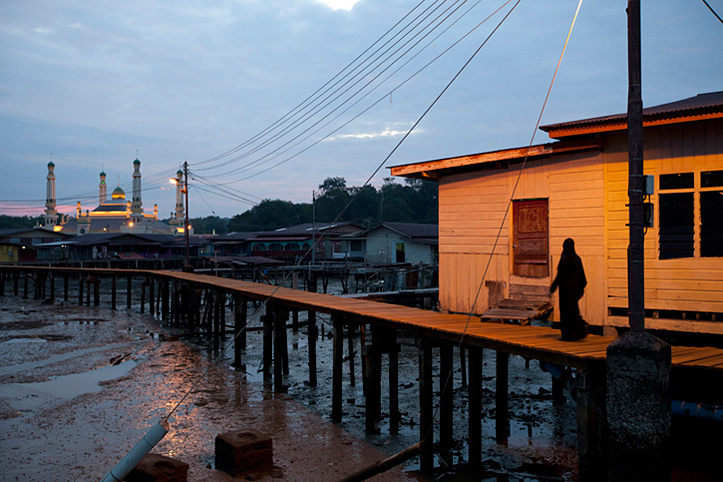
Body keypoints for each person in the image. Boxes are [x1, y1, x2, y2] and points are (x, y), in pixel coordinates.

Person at [550, 238, 588, 341]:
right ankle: (577, 332)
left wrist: (553, 287)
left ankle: (567, 335)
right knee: (574, 310)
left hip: (565, 290)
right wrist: (581, 289)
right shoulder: (577, 259)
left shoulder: (565, 259)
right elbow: (582, 276)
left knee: (566, 312)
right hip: (575, 290)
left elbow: (560, 276)